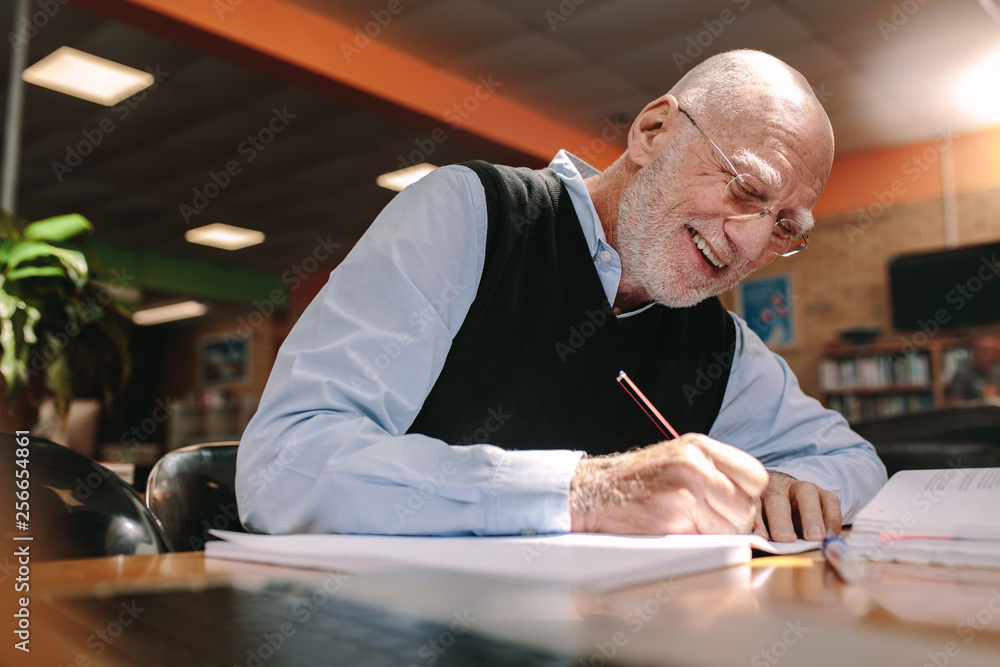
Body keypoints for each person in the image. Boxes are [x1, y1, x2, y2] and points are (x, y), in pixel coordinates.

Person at [236, 50, 886, 543]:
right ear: (654, 130)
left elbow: (853, 460)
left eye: (783, 228)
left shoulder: (722, 347)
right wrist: (585, 493)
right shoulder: (471, 217)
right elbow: (283, 464)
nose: (748, 244)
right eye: (745, 188)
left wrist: (794, 493)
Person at [948, 335, 1000, 402]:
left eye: (992, 351)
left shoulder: (997, 374)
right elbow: (955, 403)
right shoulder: (963, 375)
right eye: (984, 351)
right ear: (975, 352)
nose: (989, 355)